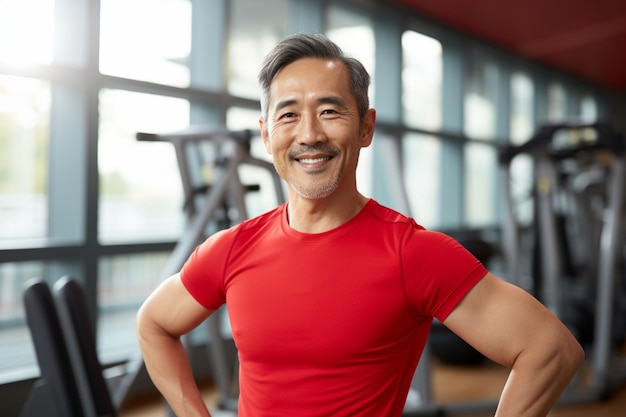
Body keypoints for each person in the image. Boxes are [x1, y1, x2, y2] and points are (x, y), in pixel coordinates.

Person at [136, 33, 584, 417]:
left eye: (330, 111)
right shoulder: (233, 248)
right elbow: (153, 323)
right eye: (288, 114)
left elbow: (550, 350)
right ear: (267, 134)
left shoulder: (413, 252)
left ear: (365, 128)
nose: (309, 134)